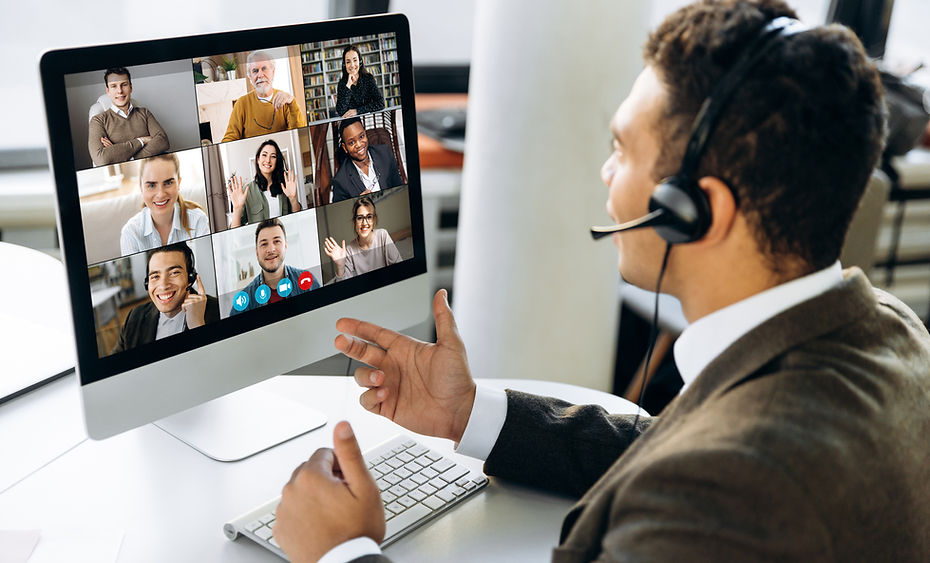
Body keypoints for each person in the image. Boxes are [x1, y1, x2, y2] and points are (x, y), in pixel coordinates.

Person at [272, 1, 930, 562]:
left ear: (692, 210)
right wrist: (465, 411)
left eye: (621, 149)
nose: (606, 174)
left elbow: (703, 476)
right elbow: (669, 450)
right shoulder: (887, 334)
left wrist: (342, 549)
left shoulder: (726, 494)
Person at [111, 243, 218, 354]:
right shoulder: (135, 316)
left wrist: (198, 326)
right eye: (155, 276)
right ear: (147, 283)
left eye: (174, 273)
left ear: (190, 278)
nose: (163, 285)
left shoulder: (217, 309)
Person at [120, 153, 209, 255]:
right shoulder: (130, 233)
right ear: (141, 188)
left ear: (178, 183)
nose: (161, 194)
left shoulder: (198, 220)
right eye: (152, 185)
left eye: (168, 183)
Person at [230, 218, 321, 316]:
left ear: (285, 245)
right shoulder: (243, 301)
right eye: (264, 244)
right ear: (257, 252)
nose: (271, 249)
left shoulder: (307, 282)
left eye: (276, 241)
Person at [88, 67, 169, 166]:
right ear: (108, 91)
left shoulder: (144, 113)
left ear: (131, 87)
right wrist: (141, 141)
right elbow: (101, 159)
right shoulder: (98, 120)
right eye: (114, 86)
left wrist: (122, 155)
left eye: (124, 85)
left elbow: (163, 141)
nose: (120, 91)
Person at [221, 51, 307, 142]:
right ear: (250, 76)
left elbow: (301, 134)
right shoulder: (241, 104)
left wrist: (292, 102)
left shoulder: (286, 101)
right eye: (255, 71)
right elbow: (229, 139)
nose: (260, 75)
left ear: (273, 72)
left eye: (264, 68)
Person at [226, 139, 302, 228]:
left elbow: (298, 219)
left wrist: (293, 198)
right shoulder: (247, 191)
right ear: (258, 159)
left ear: (277, 161)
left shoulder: (285, 187)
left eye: (273, 156)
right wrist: (237, 209)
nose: (268, 160)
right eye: (264, 155)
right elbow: (235, 233)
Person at [323, 197, 402, 281]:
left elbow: (399, 269)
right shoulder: (349, 250)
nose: (365, 223)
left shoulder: (382, 235)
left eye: (369, 217)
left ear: (374, 219)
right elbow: (345, 286)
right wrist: (341, 266)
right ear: (355, 222)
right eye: (360, 218)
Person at [330, 118, 403, 203]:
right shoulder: (341, 181)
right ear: (345, 147)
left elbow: (399, 188)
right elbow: (341, 212)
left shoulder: (385, 154)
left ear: (365, 134)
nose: (359, 144)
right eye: (351, 143)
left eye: (361, 136)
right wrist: (358, 203)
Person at [334, 45, 385, 118]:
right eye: (348, 62)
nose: (352, 65)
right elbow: (341, 111)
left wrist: (357, 111)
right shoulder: (342, 84)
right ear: (344, 65)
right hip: (351, 122)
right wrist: (348, 85)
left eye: (355, 60)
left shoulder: (368, 79)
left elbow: (381, 103)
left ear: (360, 62)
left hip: (368, 118)